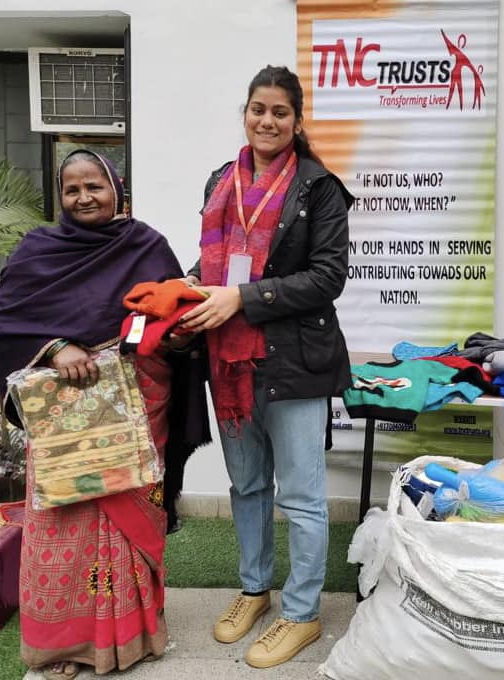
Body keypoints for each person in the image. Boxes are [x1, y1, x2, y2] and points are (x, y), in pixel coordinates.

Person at [0, 150, 209, 679]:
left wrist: (176, 336)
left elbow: (172, 322)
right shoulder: (39, 250)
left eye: (95, 187)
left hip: (137, 408)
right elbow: (5, 324)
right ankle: (64, 646)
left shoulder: (146, 245)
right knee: (63, 525)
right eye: (72, 189)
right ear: (59, 197)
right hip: (65, 425)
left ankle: (135, 635)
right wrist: (57, 346)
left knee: (131, 519)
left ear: (116, 190)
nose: (84, 197)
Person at [179, 65, 354, 669]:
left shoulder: (319, 188)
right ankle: (255, 590)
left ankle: (301, 614)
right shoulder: (221, 180)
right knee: (247, 486)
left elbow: (328, 277)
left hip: (297, 361)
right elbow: (214, 260)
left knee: (302, 497)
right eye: (258, 109)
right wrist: (193, 286)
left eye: (280, 112)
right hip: (228, 362)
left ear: (296, 121)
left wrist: (245, 299)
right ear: (245, 113)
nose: (267, 121)